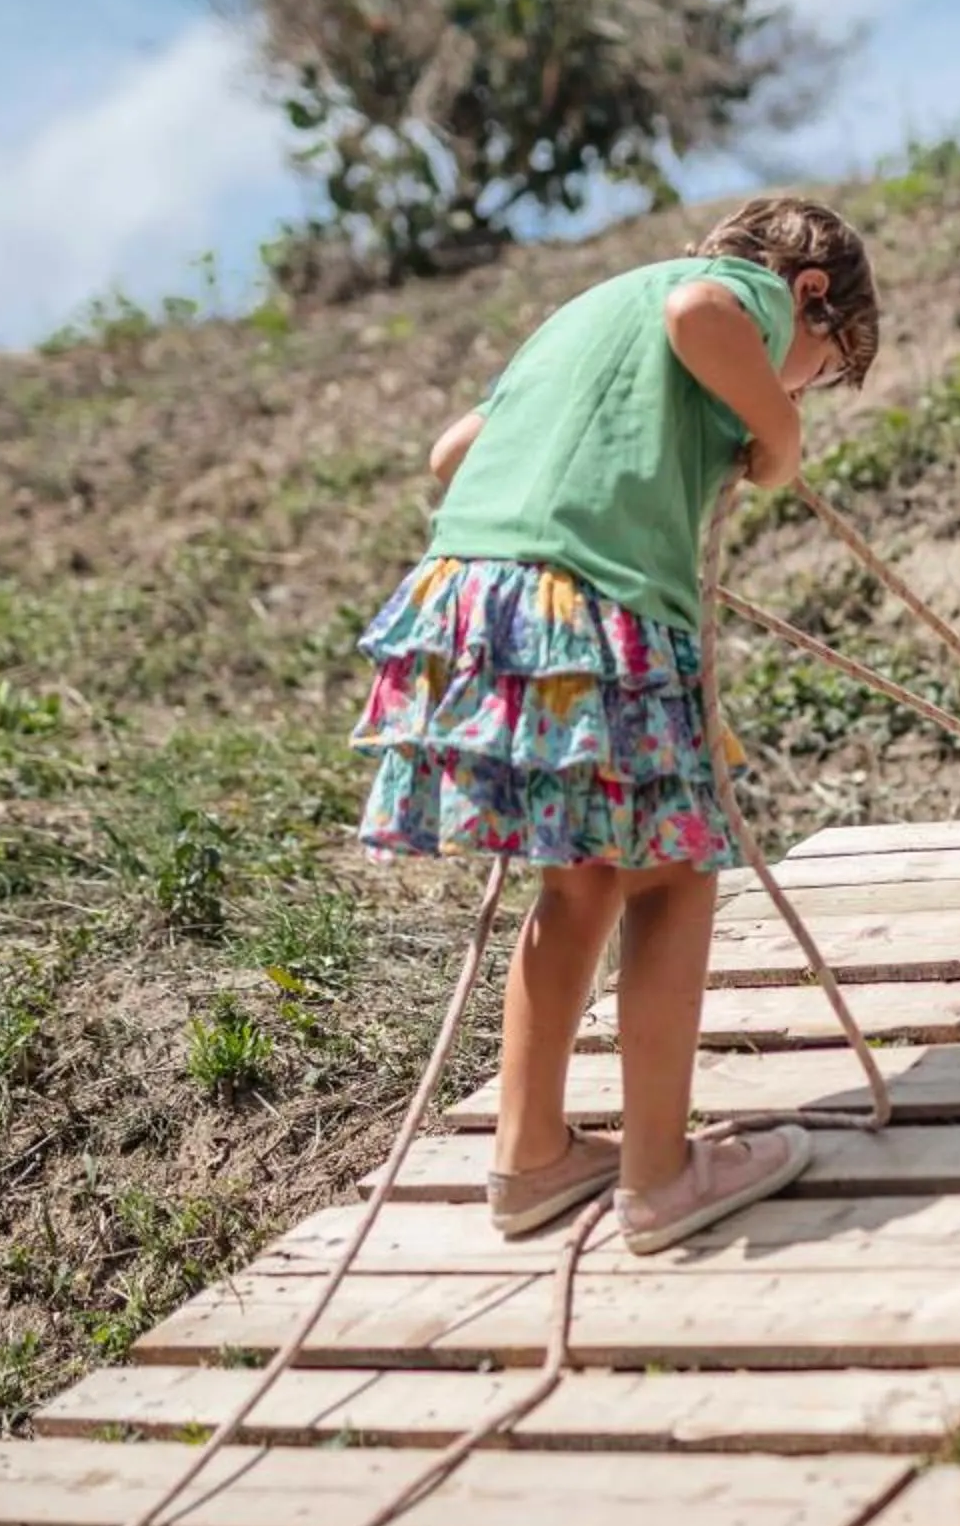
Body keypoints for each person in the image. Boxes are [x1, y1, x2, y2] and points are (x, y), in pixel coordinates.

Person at [353, 196, 880, 1252]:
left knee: (582, 873)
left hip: (472, 598)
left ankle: (529, 1157)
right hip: (591, 600)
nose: (802, 379)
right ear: (812, 297)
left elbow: (452, 453)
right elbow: (702, 314)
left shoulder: (587, 310)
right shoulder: (739, 295)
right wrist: (779, 438)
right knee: (676, 875)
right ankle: (659, 1177)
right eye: (821, 366)